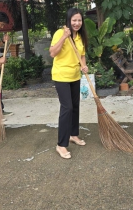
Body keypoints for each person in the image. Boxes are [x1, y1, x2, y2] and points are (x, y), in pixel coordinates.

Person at [49, 8, 89, 159]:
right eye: (74, 20)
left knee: (75, 106)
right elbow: (53, 53)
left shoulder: (80, 36)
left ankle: (73, 134)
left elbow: (82, 55)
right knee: (67, 108)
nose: (77, 23)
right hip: (61, 76)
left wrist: (83, 66)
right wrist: (64, 37)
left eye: (79, 20)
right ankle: (61, 145)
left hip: (75, 76)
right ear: (68, 20)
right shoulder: (60, 33)